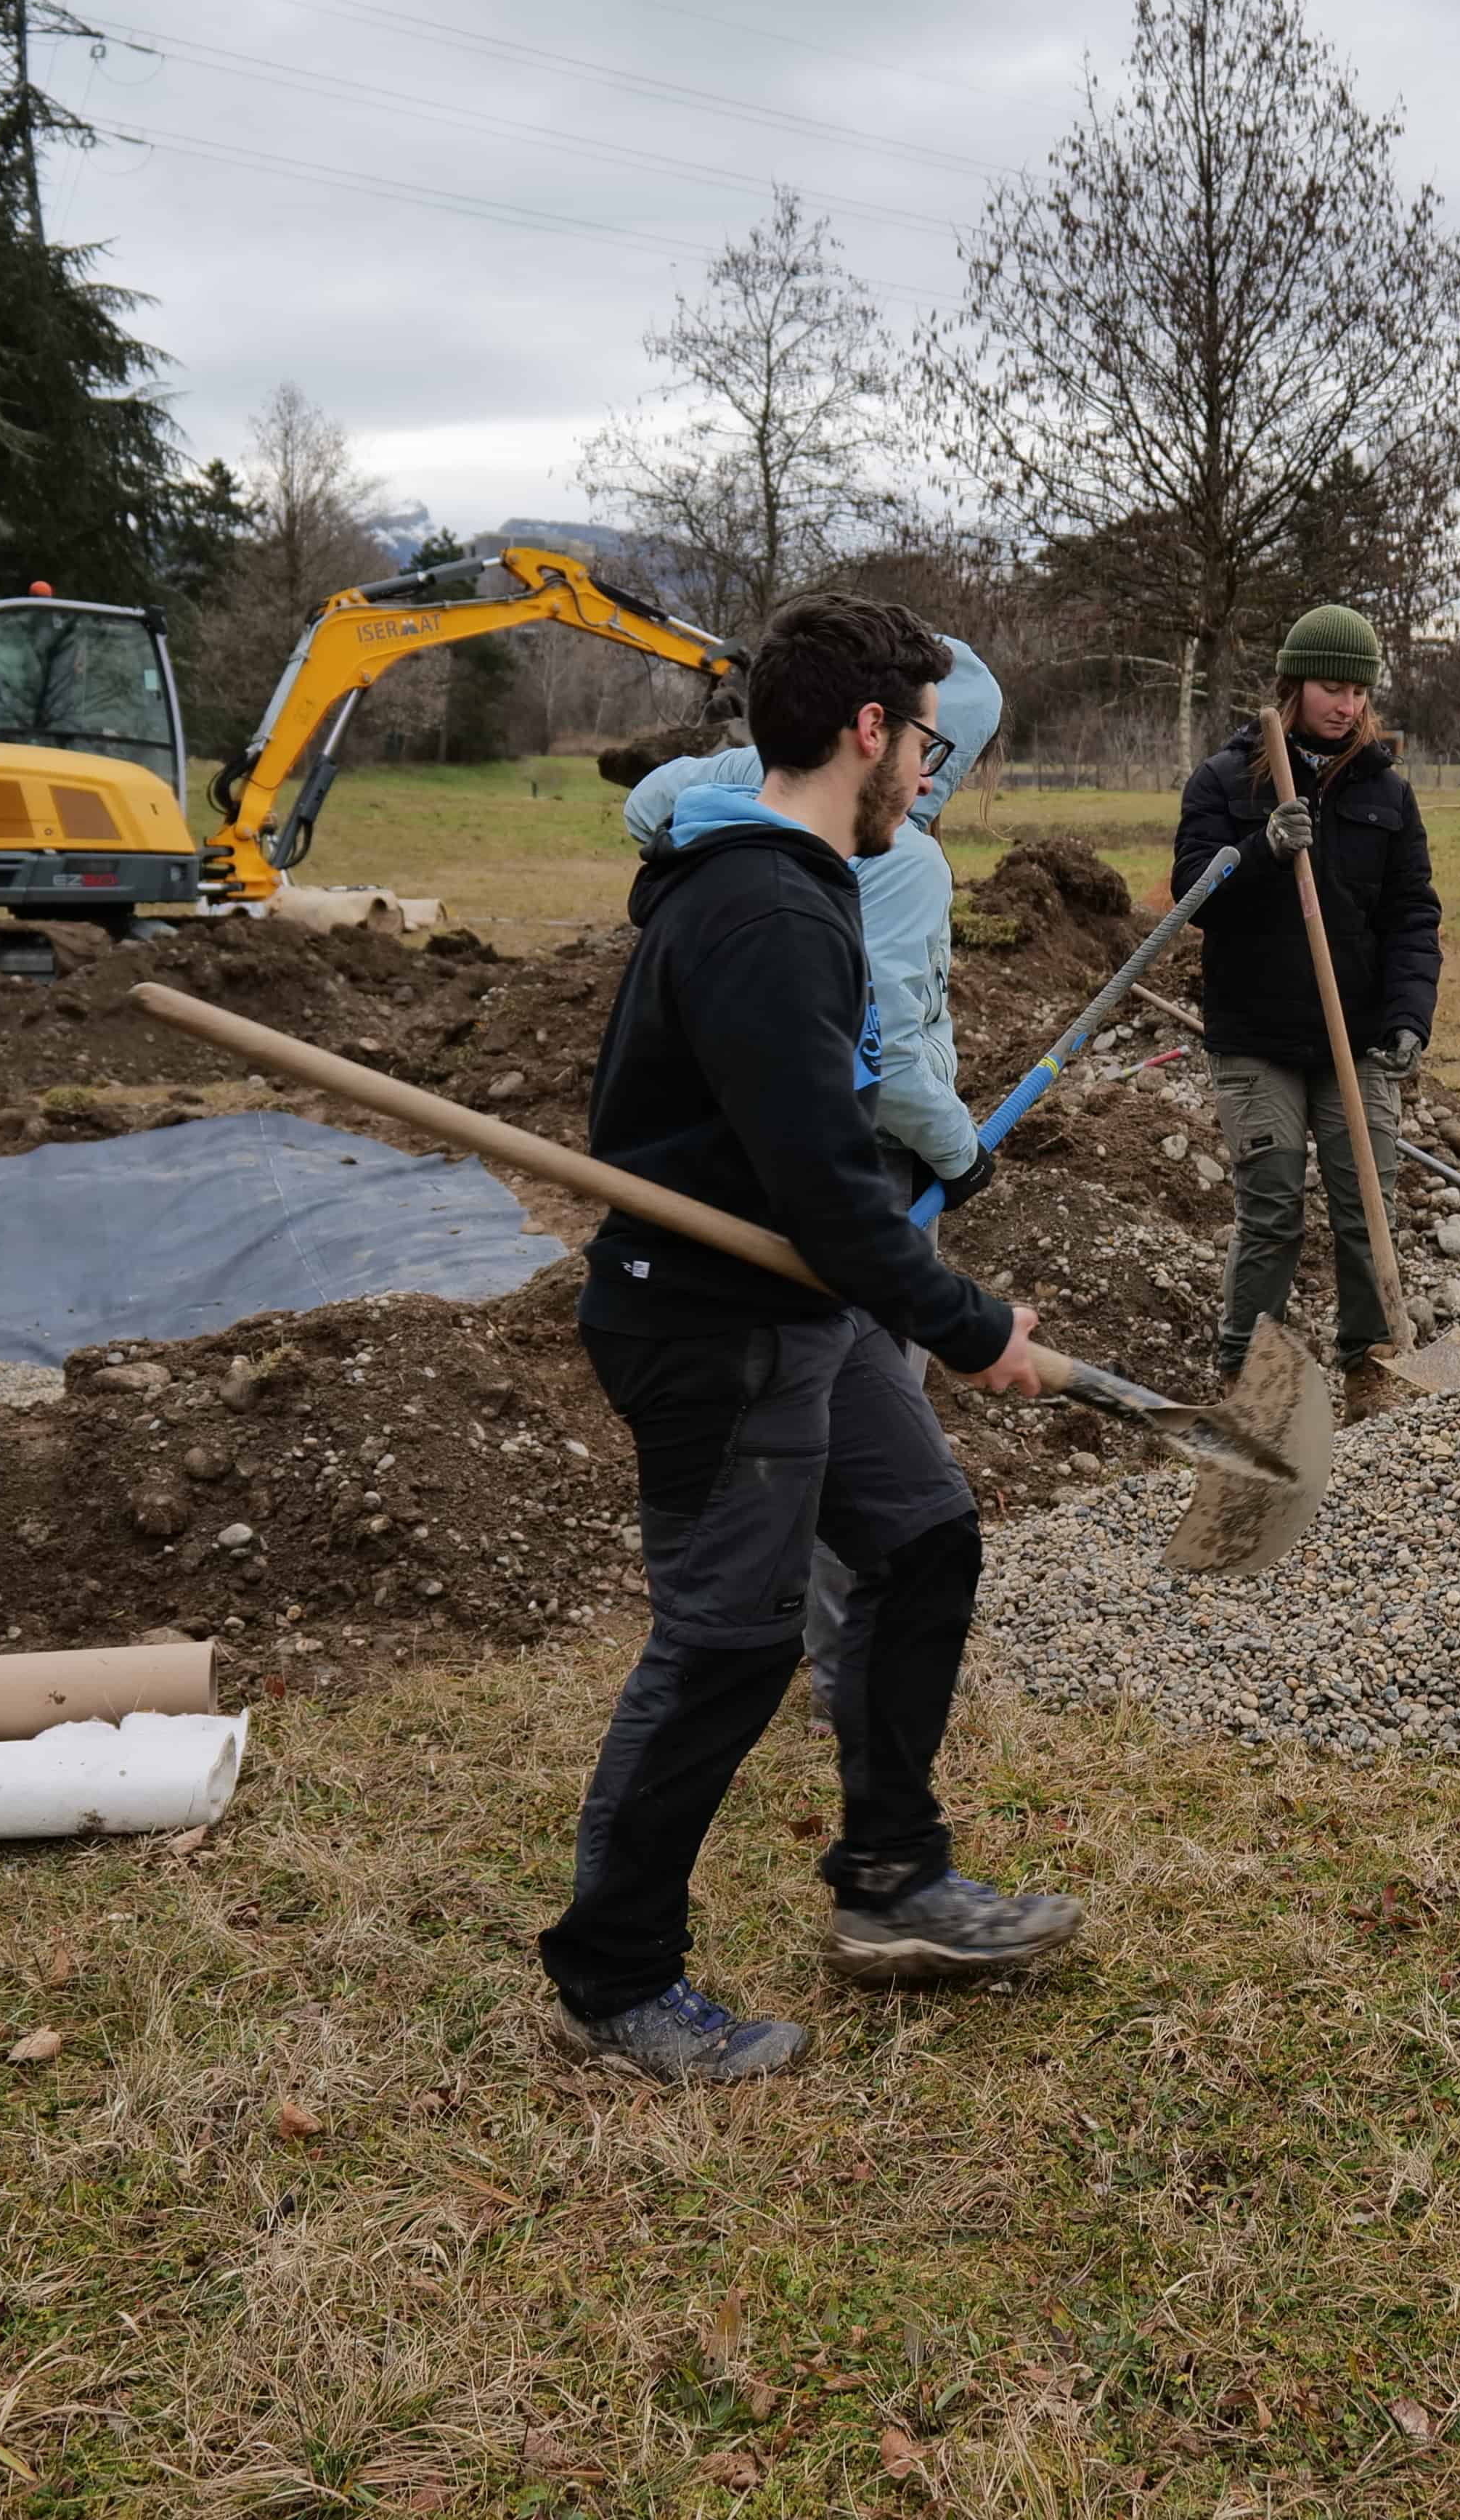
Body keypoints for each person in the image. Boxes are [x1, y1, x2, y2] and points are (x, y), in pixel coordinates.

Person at [549, 592, 1074, 2087]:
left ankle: (893, 1877)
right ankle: (616, 1974)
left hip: (801, 1306)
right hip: (708, 1323)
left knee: (920, 1540)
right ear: (867, 732)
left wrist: (916, 1297)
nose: (927, 765)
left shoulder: (804, 883)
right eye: (919, 736)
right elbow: (827, 1181)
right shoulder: (767, 909)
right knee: (723, 1646)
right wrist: (973, 1325)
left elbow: (823, 1177)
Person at [626, 639, 1005, 1722]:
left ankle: (802, 1653)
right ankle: (854, 1672)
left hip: (743, 1186)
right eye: (938, 748)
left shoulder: (733, 815)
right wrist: (957, 1148)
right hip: (865, 1178)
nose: (938, 775)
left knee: (806, 1430)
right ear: (899, 741)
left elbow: (649, 799)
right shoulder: (894, 862)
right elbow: (884, 1048)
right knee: (878, 1446)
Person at [1171, 602, 1442, 1418]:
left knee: (1368, 1203)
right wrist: (1260, 851)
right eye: (1332, 686)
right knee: (1274, 1204)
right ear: (1292, 685)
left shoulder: (1387, 791)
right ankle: (1248, 1378)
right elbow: (1192, 895)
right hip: (1256, 1035)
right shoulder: (1228, 780)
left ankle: (1370, 1364)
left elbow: (1412, 914)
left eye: (1360, 690)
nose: (1348, 705)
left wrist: (1407, 1015)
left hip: (1354, 1036)